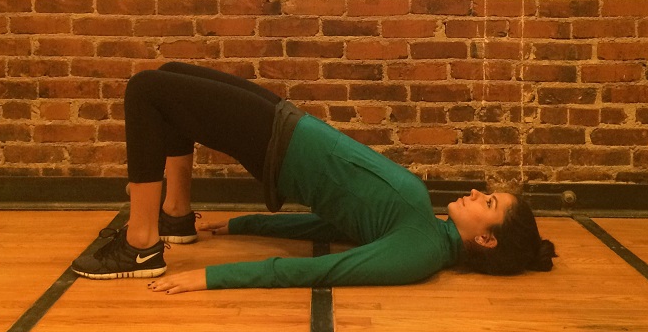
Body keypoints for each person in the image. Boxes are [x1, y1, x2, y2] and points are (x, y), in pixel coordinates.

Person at [71, 62, 556, 293]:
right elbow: (332, 226)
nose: (476, 192)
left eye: (488, 203)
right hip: (287, 126)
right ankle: (175, 218)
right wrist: (244, 224)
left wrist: (213, 277)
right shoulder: (425, 229)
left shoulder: (418, 254)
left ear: (486, 240)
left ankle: (141, 243)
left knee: (147, 90)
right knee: (169, 76)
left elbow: (320, 270)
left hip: (277, 144)